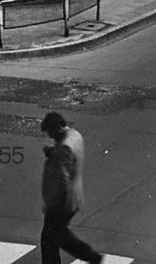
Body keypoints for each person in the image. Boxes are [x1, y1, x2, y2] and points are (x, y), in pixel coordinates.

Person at [39, 112, 103, 264]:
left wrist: (52, 205)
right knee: (55, 236)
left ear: (58, 127)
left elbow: (62, 179)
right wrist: (53, 153)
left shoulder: (64, 148)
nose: (51, 136)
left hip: (62, 202)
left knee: (51, 239)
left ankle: (91, 256)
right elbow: (70, 158)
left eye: (51, 132)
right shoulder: (75, 136)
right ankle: (91, 256)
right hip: (74, 197)